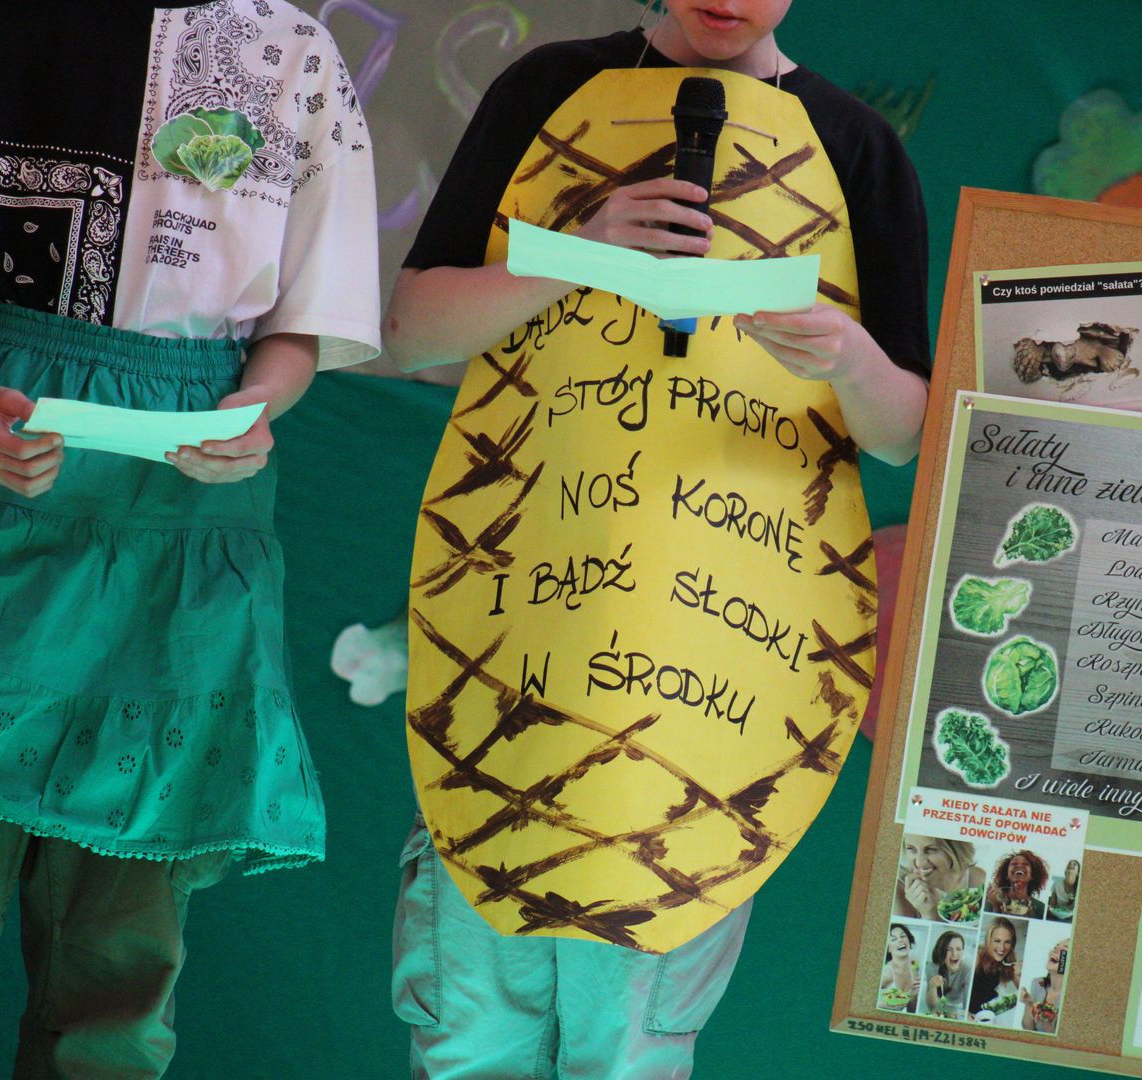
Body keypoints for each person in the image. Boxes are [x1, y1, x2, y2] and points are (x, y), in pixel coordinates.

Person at [386, 1, 930, 1076]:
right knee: (470, 1031)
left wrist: (847, 357)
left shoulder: (857, 147)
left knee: (631, 1041)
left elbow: (905, 433)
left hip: (715, 688)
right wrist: (582, 252)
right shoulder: (548, 91)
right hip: (518, 645)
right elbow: (413, 332)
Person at [0, 3, 378, 1077]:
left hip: (191, 507)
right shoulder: (3, 21)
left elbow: (302, 321)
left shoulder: (296, 51)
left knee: (122, 960)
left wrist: (254, 409)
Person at [894, 834, 986, 921]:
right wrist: (928, 914)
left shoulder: (975, 877)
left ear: (955, 849)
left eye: (931, 850)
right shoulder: (898, 889)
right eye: (911, 849)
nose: (919, 863)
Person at [968, 917, 1022, 1018]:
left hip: (991, 1011)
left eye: (1007, 942)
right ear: (989, 940)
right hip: (972, 1013)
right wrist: (966, 1013)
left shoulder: (1008, 961)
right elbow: (959, 989)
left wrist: (1017, 975)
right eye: (997, 941)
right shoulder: (977, 957)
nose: (1002, 948)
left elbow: (1024, 992)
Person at [985, 849, 1051, 920]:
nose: (1019, 866)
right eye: (1014, 863)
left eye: (1025, 864)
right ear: (1007, 875)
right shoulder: (992, 901)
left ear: (1032, 876)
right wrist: (996, 907)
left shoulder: (1041, 909)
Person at [1022, 939, 1070, 1034]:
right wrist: (1029, 1004)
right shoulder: (1037, 984)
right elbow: (1027, 1029)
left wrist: (1048, 1024)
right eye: (1056, 947)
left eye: (1064, 949)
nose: (1055, 950)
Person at [922, 930, 973, 1020]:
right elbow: (931, 1006)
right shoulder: (931, 968)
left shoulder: (968, 971)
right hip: (939, 1006)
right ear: (941, 951)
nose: (954, 954)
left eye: (958, 949)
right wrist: (933, 986)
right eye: (949, 949)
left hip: (958, 1006)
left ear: (963, 951)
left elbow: (966, 1008)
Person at [879, 923, 921, 1013]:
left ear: (909, 941)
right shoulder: (886, 973)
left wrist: (913, 996)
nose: (900, 940)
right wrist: (881, 1005)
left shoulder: (913, 970)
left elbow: (911, 1011)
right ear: (888, 948)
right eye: (894, 939)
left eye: (903, 936)